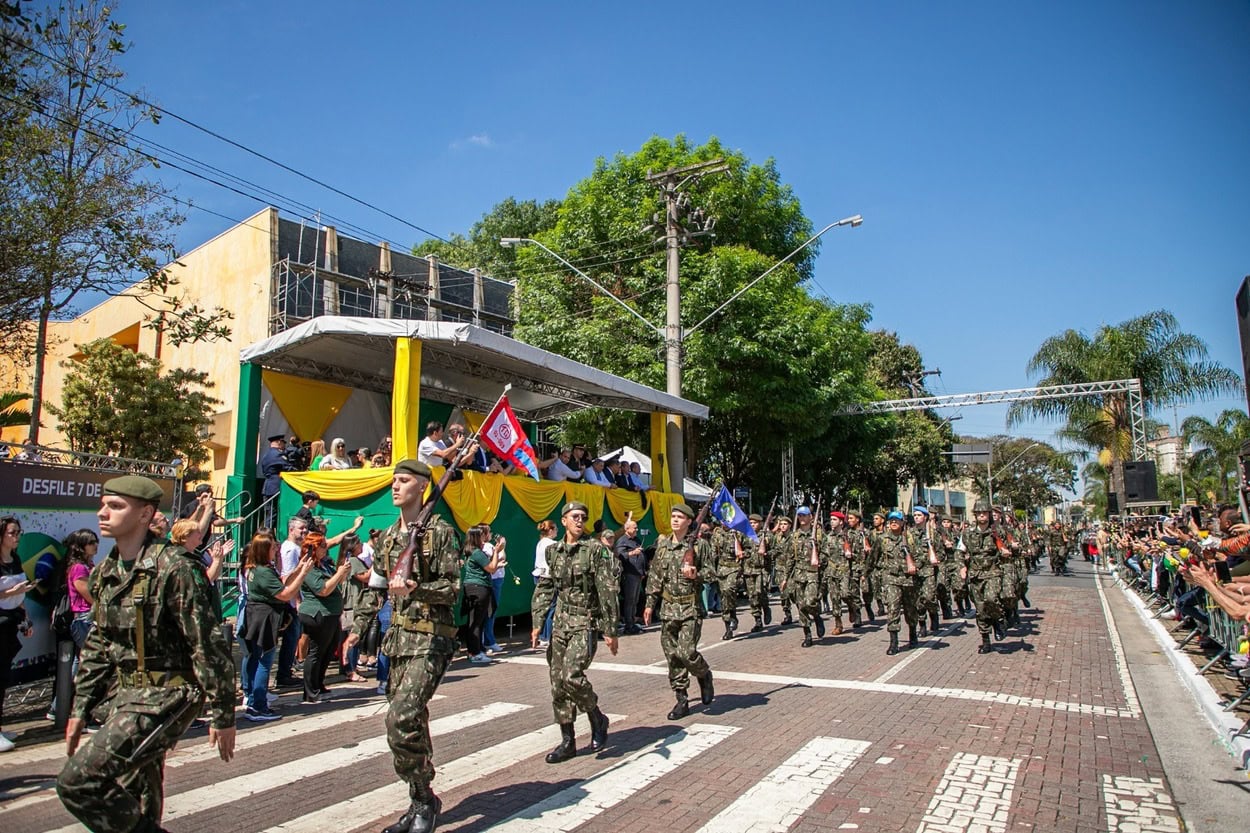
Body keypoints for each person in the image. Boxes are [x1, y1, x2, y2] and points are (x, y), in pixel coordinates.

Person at [56, 476, 236, 831]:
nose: (103, 513)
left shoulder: (174, 567)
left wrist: (223, 712)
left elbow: (206, 642)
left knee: (78, 781)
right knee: (139, 793)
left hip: (169, 694)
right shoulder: (106, 572)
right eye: (104, 505)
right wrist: (80, 707)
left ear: (144, 514)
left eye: (116, 506)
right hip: (125, 694)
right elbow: (99, 645)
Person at [374, 459, 462, 833]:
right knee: (413, 722)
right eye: (393, 480)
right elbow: (377, 586)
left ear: (423, 486)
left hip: (431, 639)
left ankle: (424, 799)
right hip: (398, 640)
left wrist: (416, 589)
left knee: (401, 718)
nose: (395, 486)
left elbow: (452, 589)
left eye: (404, 480)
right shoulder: (388, 537)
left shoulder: (439, 532)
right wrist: (358, 629)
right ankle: (420, 799)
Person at [530, 501, 618, 764]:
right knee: (558, 683)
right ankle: (567, 740)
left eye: (583, 517)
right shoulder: (553, 552)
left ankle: (597, 717)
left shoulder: (594, 550)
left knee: (572, 676)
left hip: (585, 621)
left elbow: (607, 590)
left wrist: (610, 630)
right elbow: (546, 587)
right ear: (564, 521)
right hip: (560, 624)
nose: (580, 521)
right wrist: (537, 621)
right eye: (575, 516)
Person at [645, 503, 716, 719]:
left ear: (689, 521)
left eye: (680, 517)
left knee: (686, 652)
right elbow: (655, 577)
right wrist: (649, 604)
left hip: (690, 608)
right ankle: (681, 699)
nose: (675, 520)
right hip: (668, 609)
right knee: (673, 657)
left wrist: (696, 575)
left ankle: (704, 675)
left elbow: (712, 573)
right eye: (673, 516)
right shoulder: (663, 546)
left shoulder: (699, 546)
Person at [240, 532, 311, 720]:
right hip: (264, 618)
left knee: (256, 659)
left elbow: (281, 583)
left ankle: (253, 700)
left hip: (256, 616)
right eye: (273, 548)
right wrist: (303, 574)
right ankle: (258, 705)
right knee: (264, 661)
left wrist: (298, 570)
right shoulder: (263, 572)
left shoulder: (257, 568)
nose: (276, 550)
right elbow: (285, 594)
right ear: (264, 550)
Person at [297, 532, 352, 704]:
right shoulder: (309, 567)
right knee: (316, 652)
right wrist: (339, 574)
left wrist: (342, 572)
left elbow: (336, 583)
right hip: (318, 613)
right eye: (321, 545)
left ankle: (319, 684)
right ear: (313, 548)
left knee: (328, 651)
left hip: (331, 613)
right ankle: (310, 691)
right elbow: (323, 590)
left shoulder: (324, 564)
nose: (325, 548)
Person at [0, 516, 34, 753]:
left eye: (19, 532)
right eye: (12, 533)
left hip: (11, 622)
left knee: (4, 677)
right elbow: (11, 592)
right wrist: (11, 591)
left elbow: (19, 595)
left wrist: (26, 618)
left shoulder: (16, 559)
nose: (17, 537)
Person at [962, 500, 1009, 653]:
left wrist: (1006, 551)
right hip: (975, 575)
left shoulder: (998, 531)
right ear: (975, 515)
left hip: (992, 572)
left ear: (989, 514)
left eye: (984, 513)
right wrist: (962, 566)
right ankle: (986, 640)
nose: (982, 515)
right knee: (980, 609)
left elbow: (1008, 548)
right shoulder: (967, 533)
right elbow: (960, 551)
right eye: (979, 513)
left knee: (991, 599)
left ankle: (999, 620)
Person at [460, 525, 505, 664]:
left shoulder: (472, 552)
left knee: (476, 621)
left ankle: (477, 650)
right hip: (478, 587)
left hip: (473, 586)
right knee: (476, 622)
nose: (484, 537)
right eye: (481, 535)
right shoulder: (477, 553)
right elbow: (491, 568)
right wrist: (496, 551)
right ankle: (475, 653)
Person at [878, 510, 920, 655]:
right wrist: (865, 574)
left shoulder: (911, 538)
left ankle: (913, 633)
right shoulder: (883, 539)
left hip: (909, 580)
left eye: (897, 520)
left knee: (910, 610)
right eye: (891, 520)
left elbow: (921, 557)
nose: (894, 522)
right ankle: (894, 642)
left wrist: (914, 566)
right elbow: (873, 557)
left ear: (902, 522)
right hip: (891, 579)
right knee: (892, 609)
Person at [614, 518, 647, 635]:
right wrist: (632, 553)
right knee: (630, 600)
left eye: (637, 527)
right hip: (629, 574)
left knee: (635, 600)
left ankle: (632, 622)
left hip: (638, 574)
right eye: (634, 528)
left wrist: (642, 572)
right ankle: (629, 625)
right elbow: (619, 555)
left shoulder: (636, 540)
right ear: (627, 529)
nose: (637, 529)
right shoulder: (622, 541)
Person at [743, 513, 773, 632]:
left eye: (755, 523)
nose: (752, 525)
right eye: (750, 523)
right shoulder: (745, 535)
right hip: (749, 569)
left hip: (762, 569)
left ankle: (765, 607)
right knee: (752, 596)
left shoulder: (767, 536)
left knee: (761, 592)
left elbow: (776, 550)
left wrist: (766, 553)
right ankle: (757, 620)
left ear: (760, 523)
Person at [259, 434, 294, 529]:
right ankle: (266, 534)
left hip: (268, 487)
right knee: (273, 514)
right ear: (279, 442)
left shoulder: (266, 455)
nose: (284, 445)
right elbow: (288, 467)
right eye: (283, 443)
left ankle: (266, 533)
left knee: (269, 513)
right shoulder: (278, 454)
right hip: (276, 487)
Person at [533, 520, 558, 646]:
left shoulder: (540, 542)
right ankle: (546, 636)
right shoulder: (552, 544)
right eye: (556, 529)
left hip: (539, 575)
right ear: (551, 530)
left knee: (541, 607)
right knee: (551, 607)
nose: (557, 532)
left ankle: (542, 634)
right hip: (548, 577)